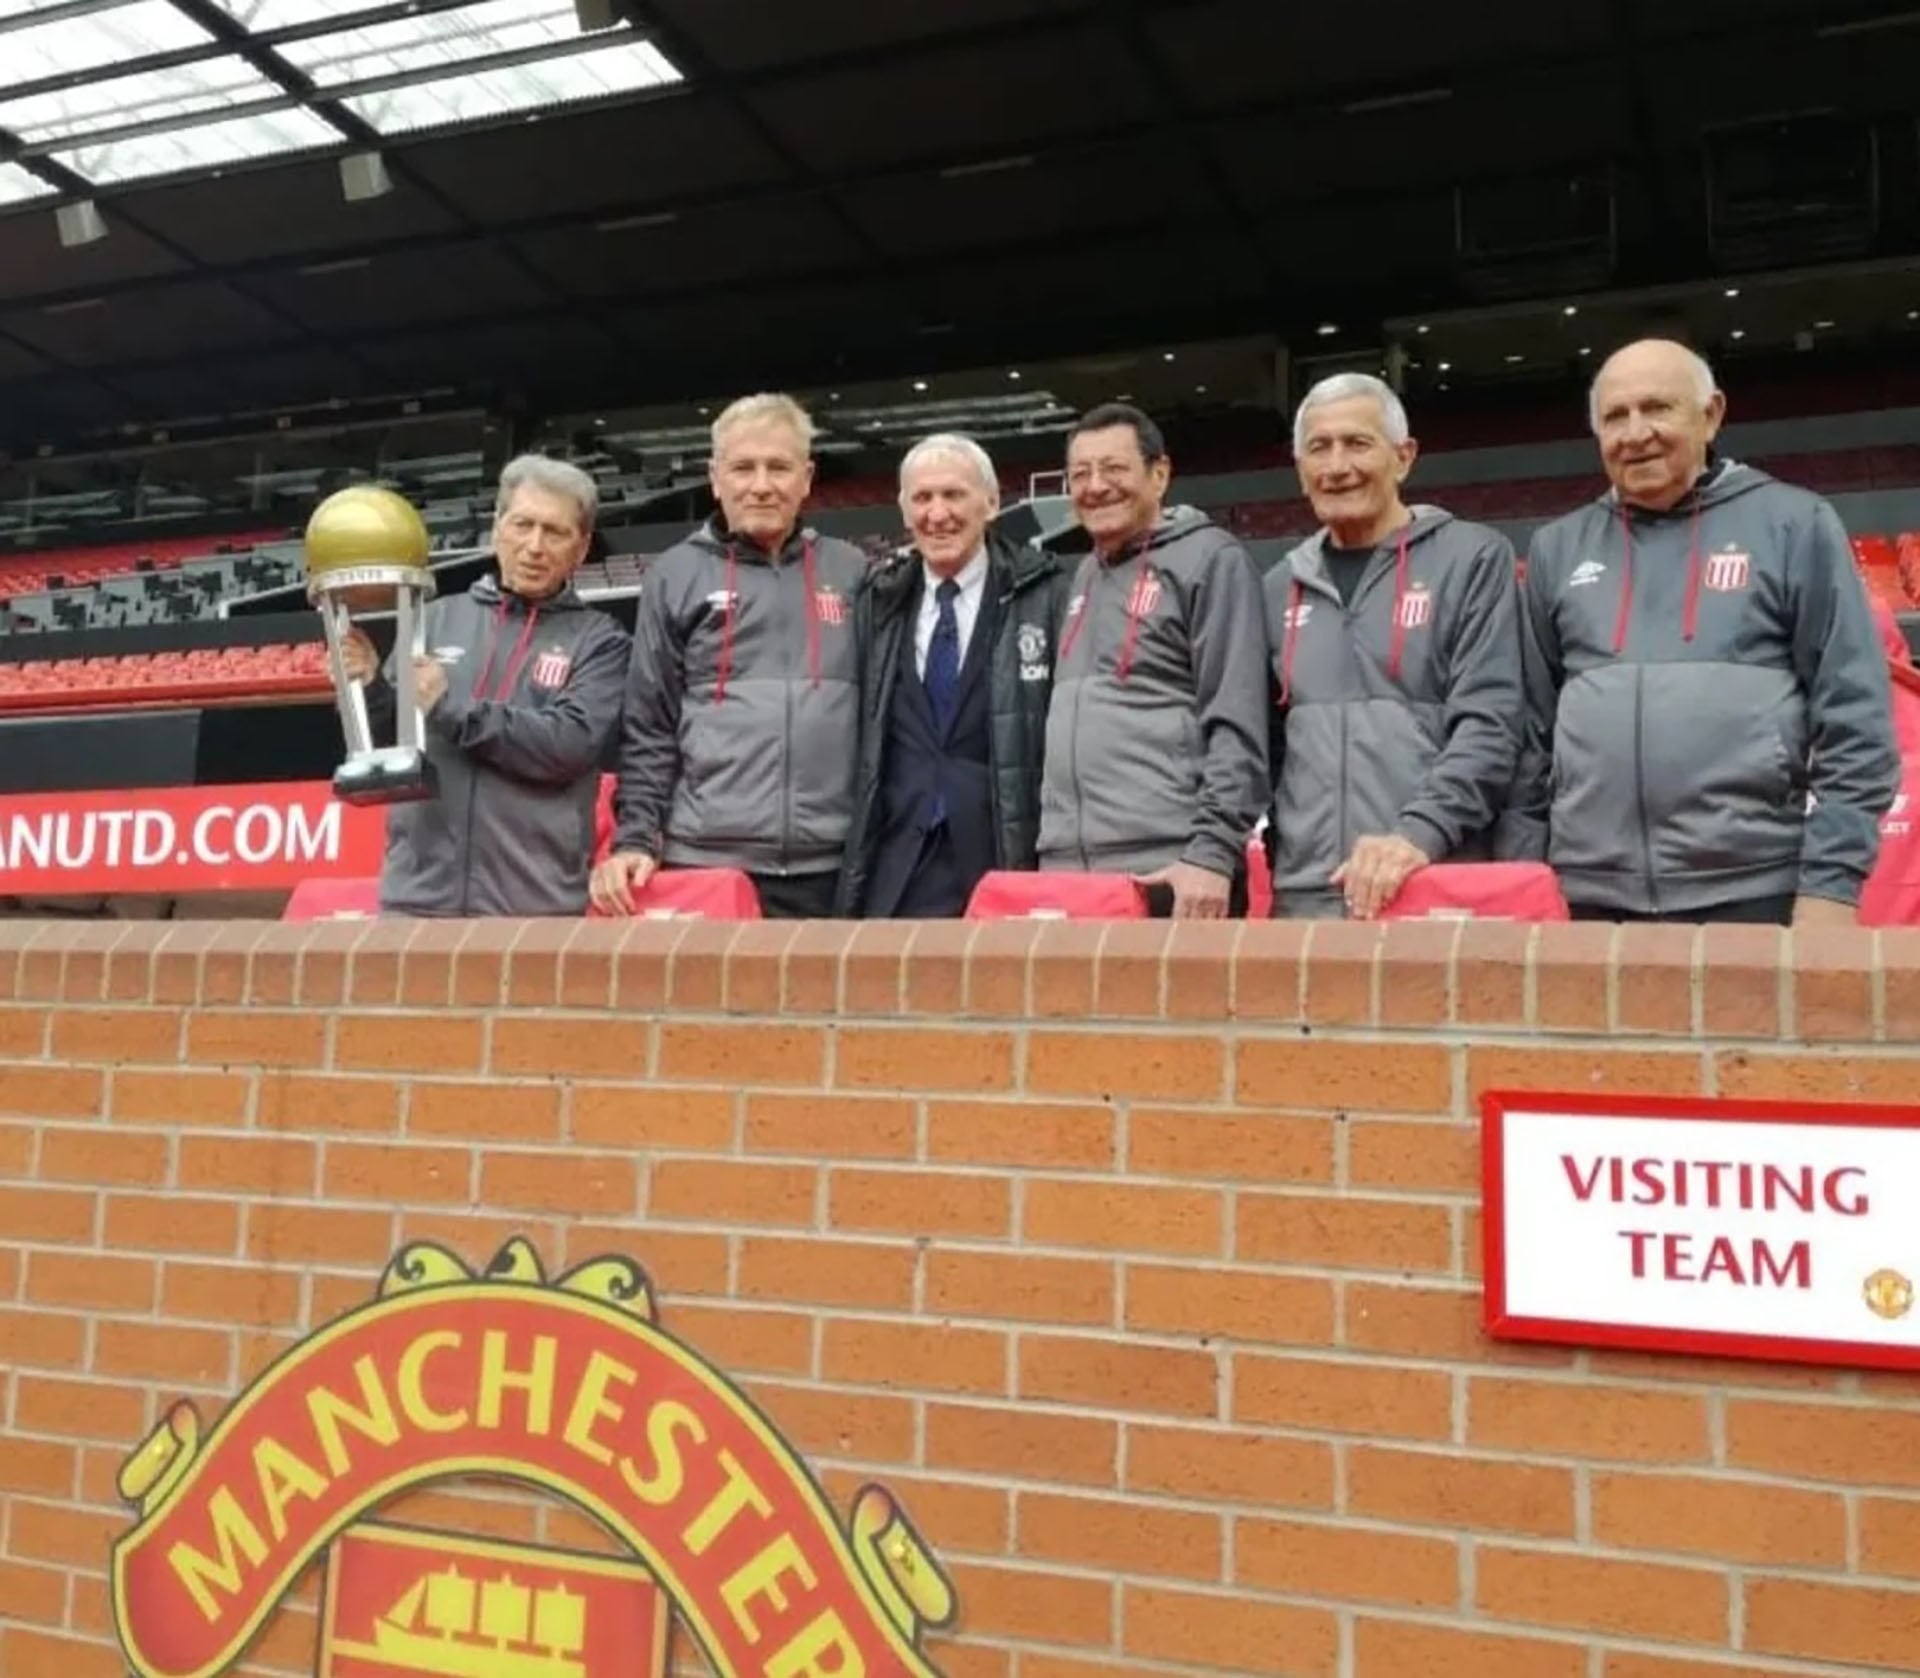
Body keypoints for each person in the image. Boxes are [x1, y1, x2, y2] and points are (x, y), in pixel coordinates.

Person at [1505, 339, 1899, 926]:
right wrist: (1526, 873)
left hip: (1759, 890)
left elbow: (1856, 719)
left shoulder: (1794, 524)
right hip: (1587, 895)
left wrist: (1831, 886)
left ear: (1711, 414)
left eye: (1657, 408)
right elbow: (1531, 736)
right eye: (1615, 416)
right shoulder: (1557, 548)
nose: (1635, 433)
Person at [591, 394, 866, 920]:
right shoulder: (674, 574)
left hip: (834, 865)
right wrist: (637, 838)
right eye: (743, 468)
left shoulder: (851, 571)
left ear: (806, 478)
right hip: (706, 860)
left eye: (779, 467)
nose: (761, 484)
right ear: (716, 478)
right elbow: (649, 725)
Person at [1267, 374, 1523, 918]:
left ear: (1403, 457)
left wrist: (1418, 835)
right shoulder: (1275, 588)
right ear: (1301, 471)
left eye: (1358, 443)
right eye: (1320, 448)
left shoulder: (1473, 559)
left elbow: (1490, 724)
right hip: (1306, 893)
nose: (1338, 466)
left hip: (1429, 882)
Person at [341, 456, 630, 917]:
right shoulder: (432, 619)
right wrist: (370, 688)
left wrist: (450, 708)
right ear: (496, 529)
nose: (535, 546)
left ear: (582, 548)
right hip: (416, 902)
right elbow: (391, 747)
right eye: (523, 525)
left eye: (555, 532)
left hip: (536, 907)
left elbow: (567, 746)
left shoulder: (601, 641)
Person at [1036, 403, 1269, 917]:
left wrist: (1210, 854)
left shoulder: (1211, 561)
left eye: (1114, 468)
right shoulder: (1083, 575)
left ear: (1159, 473)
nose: (1095, 486)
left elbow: (1239, 721)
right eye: (1080, 474)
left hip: (1170, 866)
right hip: (1070, 869)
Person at [840, 434, 1069, 918]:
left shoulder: (1045, 596)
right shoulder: (876, 603)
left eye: (953, 495)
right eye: (922, 498)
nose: (937, 514)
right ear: (904, 511)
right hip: (896, 866)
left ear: (990, 503)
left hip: (1001, 861)